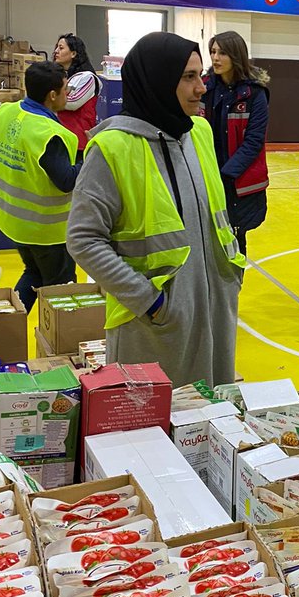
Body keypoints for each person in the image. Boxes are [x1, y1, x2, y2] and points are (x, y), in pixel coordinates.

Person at [67, 31, 244, 389]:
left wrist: (231, 275)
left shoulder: (200, 132)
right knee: (155, 426)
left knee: (211, 419)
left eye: (201, 75)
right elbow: (83, 239)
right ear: (158, 82)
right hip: (153, 324)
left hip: (214, 310)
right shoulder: (113, 148)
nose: (202, 88)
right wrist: (151, 302)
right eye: (189, 77)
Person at [0, 62, 80, 312]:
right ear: (52, 95)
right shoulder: (48, 133)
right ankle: (58, 342)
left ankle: (7, 328)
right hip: (47, 232)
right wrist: (93, 157)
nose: (68, 94)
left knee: (34, 274)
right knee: (60, 293)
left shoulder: (5, 113)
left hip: (14, 222)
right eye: (65, 89)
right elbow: (66, 181)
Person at [202, 31, 270, 258]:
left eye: (222, 52)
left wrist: (225, 175)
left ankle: (233, 292)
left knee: (234, 245)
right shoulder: (204, 88)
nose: (215, 58)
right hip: (207, 177)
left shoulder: (255, 94)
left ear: (236, 55)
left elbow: (254, 141)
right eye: (213, 52)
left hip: (236, 181)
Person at [53, 33, 101, 158]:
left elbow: (73, 102)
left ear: (73, 54)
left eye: (61, 48)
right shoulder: (65, 76)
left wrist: (51, 98)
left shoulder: (87, 77)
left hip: (79, 141)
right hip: (63, 137)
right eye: (56, 47)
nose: (56, 51)